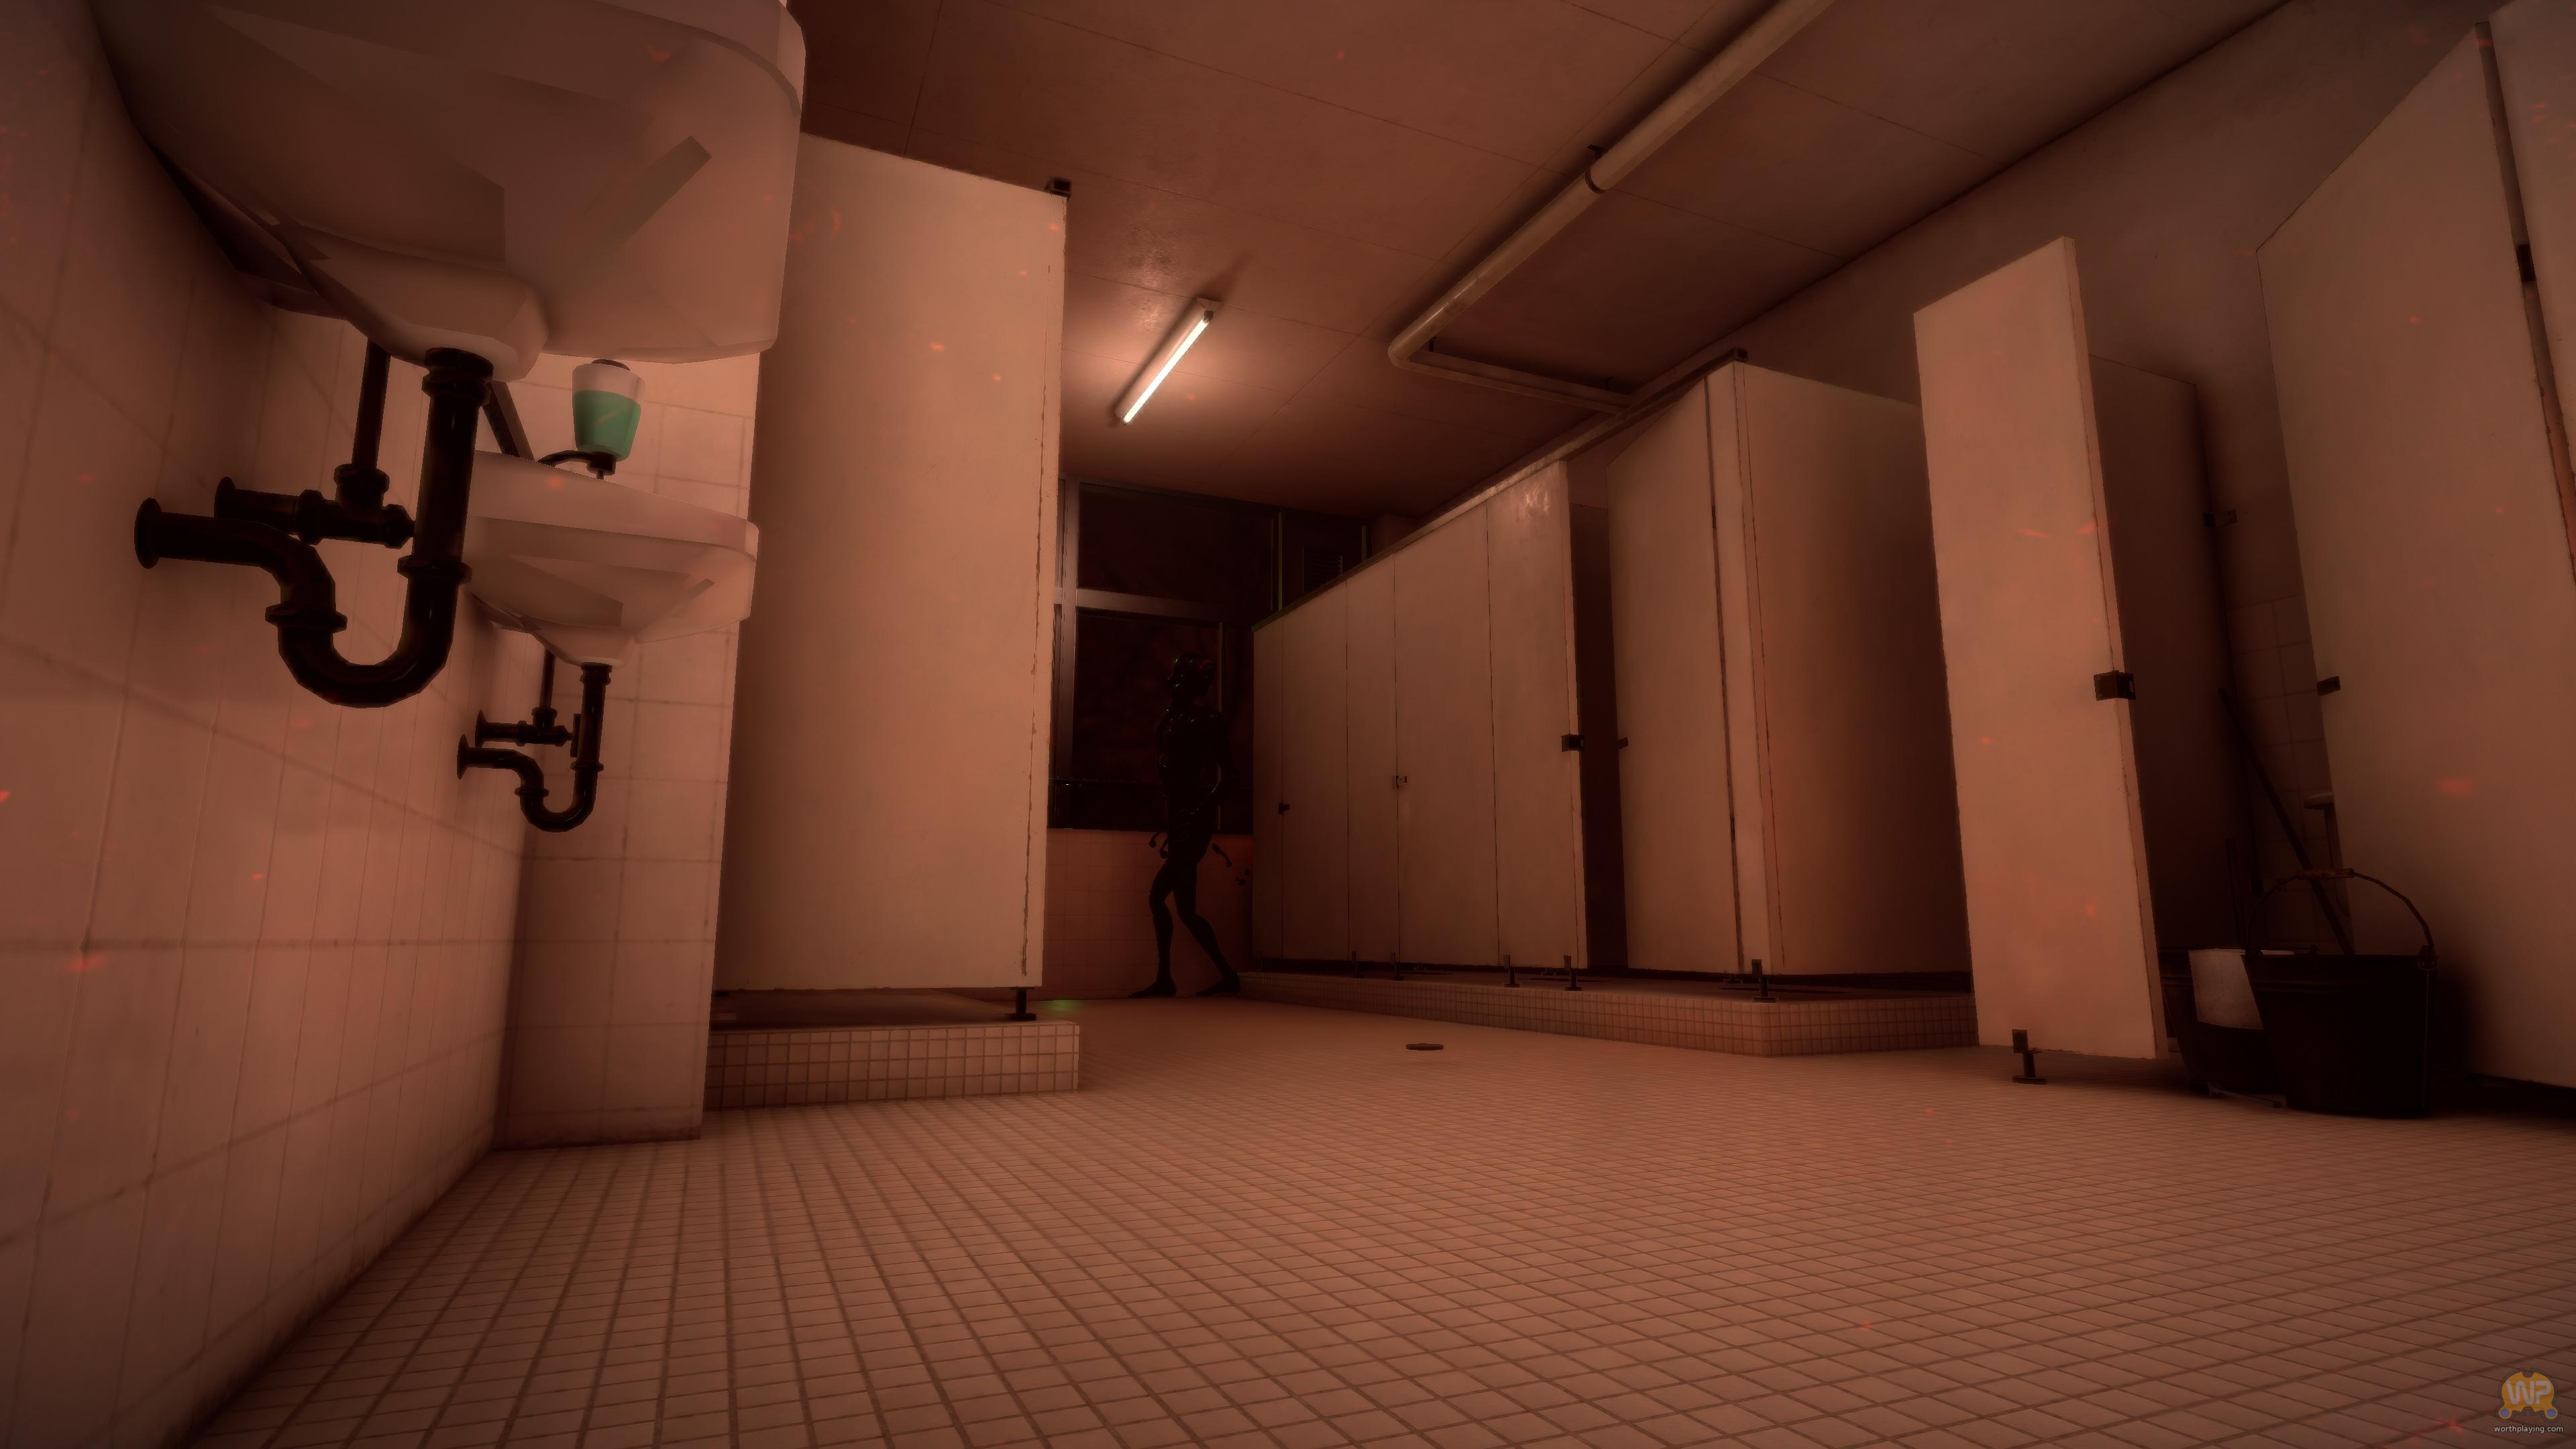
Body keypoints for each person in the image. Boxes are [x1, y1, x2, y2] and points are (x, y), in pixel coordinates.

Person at [1132, 651, 1242, 998]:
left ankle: (1167, 979)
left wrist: (1201, 809)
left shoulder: (1207, 720)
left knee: (1158, 896)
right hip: (1180, 817)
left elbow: (1232, 777)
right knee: (1186, 910)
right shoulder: (1170, 720)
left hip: (1192, 820)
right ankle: (1227, 976)